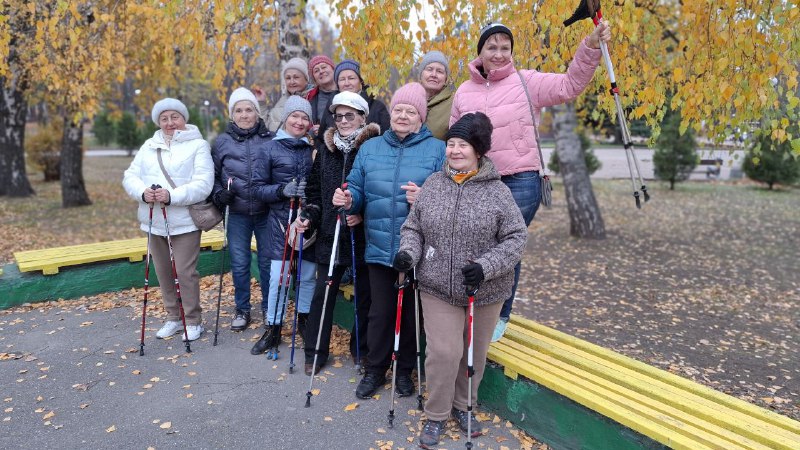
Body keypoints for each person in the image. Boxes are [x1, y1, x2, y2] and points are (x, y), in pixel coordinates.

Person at [450, 21, 611, 341]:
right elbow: (455, 138)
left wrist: (590, 46)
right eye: (491, 47)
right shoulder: (464, 91)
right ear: (480, 51)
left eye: (504, 48)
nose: (498, 53)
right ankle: (472, 306)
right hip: (478, 180)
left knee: (505, 244)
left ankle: (499, 314)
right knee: (476, 243)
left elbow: (569, 85)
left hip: (521, 179)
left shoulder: (527, 82)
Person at [393, 112, 527, 448]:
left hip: (484, 289)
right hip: (437, 285)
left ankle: (464, 405)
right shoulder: (434, 185)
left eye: (462, 145)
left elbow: (515, 239)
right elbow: (414, 227)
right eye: (451, 144)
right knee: (443, 351)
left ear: (478, 151)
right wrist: (409, 253)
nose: (454, 150)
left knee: (474, 353)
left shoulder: (498, 192)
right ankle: (436, 414)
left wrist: (485, 266)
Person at [333, 82, 445, 399]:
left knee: (410, 313)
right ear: (390, 112)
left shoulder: (437, 150)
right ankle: (375, 369)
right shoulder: (370, 148)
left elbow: (448, 198)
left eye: (411, 111)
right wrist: (348, 198)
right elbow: (356, 189)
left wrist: (425, 198)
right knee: (379, 312)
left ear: (421, 117)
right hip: (379, 247)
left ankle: (405, 370)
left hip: (417, 250)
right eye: (398, 109)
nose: (403, 116)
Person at [295, 91, 380, 375]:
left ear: (363, 118)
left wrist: (362, 213)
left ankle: (362, 350)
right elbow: (314, 192)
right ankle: (315, 352)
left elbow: (380, 193)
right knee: (323, 294)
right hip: (331, 235)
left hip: (363, 237)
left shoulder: (374, 149)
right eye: (339, 115)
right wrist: (309, 215)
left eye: (350, 115)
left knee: (366, 296)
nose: (343, 121)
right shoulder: (326, 152)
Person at [123, 98, 214, 342]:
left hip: (184, 220)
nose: (170, 122)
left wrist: (171, 195)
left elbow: (204, 184)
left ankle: (193, 321)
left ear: (184, 118)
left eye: (175, 116)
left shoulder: (198, 145)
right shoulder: (148, 146)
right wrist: (143, 192)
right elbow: (130, 176)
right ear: (158, 122)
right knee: (163, 271)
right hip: (153, 219)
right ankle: (174, 317)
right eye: (164, 118)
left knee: (184, 272)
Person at [249, 96, 317, 355]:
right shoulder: (269, 149)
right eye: (295, 116)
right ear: (285, 118)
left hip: (308, 221)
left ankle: (304, 319)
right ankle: (273, 327)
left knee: (307, 275)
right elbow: (256, 189)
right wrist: (282, 190)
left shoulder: (313, 149)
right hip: (280, 223)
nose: (299, 122)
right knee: (279, 278)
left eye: (304, 118)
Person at [210, 87, 273, 331]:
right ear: (232, 114)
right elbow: (213, 176)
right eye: (239, 110)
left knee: (268, 261)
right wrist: (219, 194)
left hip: (266, 211)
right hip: (236, 213)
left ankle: (269, 306)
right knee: (239, 262)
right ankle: (242, 309)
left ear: (257, 113)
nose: (244, 115)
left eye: (249, 109)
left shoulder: (270, 138)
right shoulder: (222, 142)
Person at [316, 59, 391, 147]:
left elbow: (387, 140)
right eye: (342, 79)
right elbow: (321, 139)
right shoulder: (331, 106)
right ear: (338, 84)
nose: (346, 83)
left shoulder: (377, 107)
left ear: (361, 81)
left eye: (351, 78)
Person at [256, 57, 312, 133]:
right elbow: (266, 128)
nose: (292, 81)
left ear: (306, 80)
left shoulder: (313, 99)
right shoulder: (282, 100)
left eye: (296, 77)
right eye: (288, 78)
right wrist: (261, 104)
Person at [417, 50, 453, 140]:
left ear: (445, 79)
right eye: (429, 69)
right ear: (421, 75)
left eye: (440, 71)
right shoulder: (408, 99)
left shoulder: (454, 103)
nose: (434, 75)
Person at [306, 54, 337, 135]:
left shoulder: (347, 91)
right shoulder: (309, 98)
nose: (321, 71)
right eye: (316, 71)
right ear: (314, 79)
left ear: (333, 69)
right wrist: (312, 131)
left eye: (324, 67)